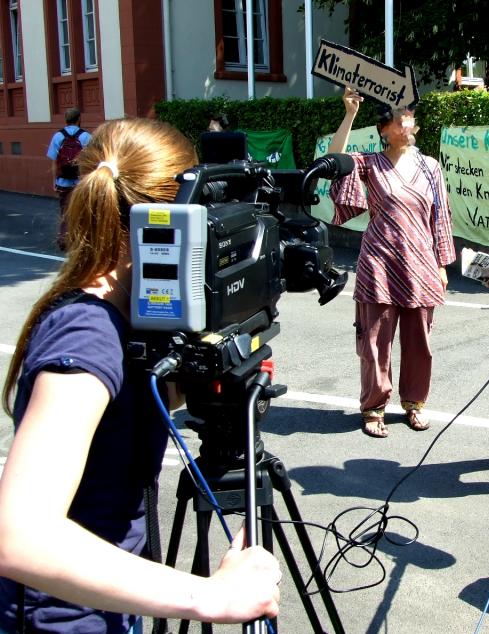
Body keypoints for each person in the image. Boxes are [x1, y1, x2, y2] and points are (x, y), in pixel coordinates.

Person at [0, 118, 281, 633]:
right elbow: (19, 534)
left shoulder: (126, 307)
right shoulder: (85, 334)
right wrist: (211, 597)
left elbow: (119, 417)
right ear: (173, 220)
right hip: (63, 621)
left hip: (105, 610)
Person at [327, 87, 456, 438]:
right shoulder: (369, 163)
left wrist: (443, 265)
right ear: (384, 129)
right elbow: (332, 163)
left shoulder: (431, 167)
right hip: (378, 264)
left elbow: (440, 218)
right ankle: (373, 407)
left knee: (420, 344)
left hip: (422, 264)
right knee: (374, 343)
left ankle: (415, 404)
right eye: (401, 119)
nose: (408, 123)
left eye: (410, 117)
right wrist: (350, 114)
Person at [46, 107, 92, 250]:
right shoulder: (86, 136)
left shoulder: (57, 136)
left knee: (65, 211)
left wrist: (54, 181)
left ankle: (63, 240)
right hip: (81, 181)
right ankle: (82, 241)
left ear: (66, 120)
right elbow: (91, 161)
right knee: (83, 210)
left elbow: (54, 161)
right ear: (79, 119)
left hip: (63, 181)